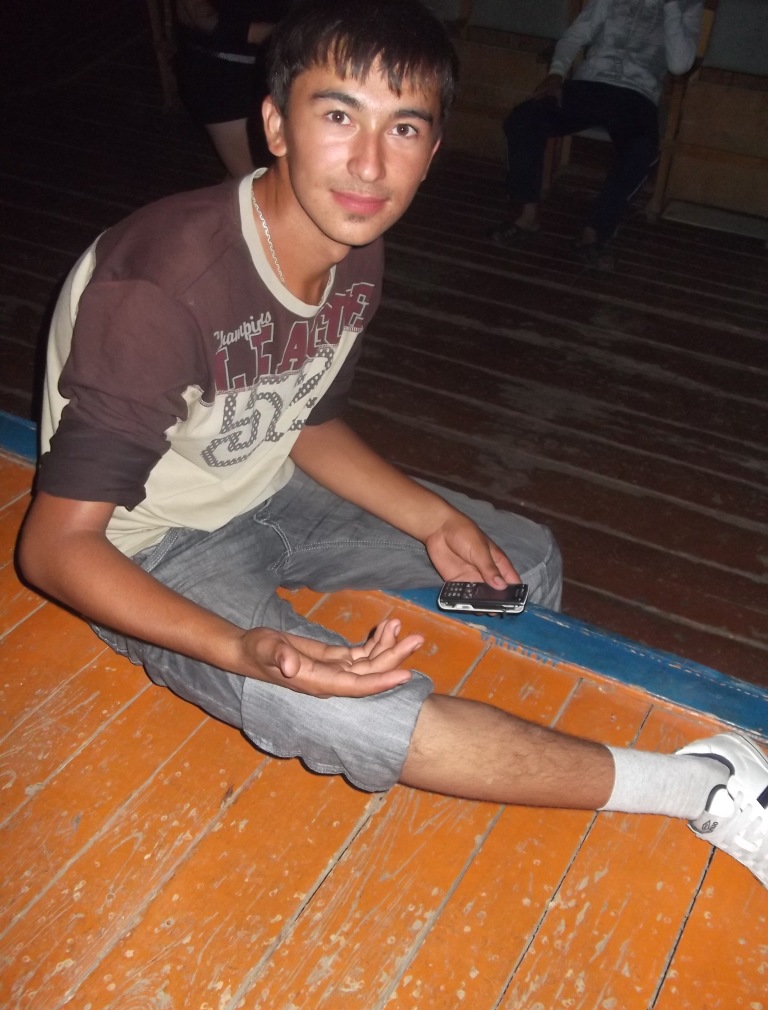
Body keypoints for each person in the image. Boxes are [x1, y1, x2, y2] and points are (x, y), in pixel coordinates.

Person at [18, 0, 766, 891]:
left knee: (519, 565)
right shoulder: (161, 288)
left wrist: (432, 517)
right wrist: (241, 648)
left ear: (432, 149)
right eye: (339, 115)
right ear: (275, 126)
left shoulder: (352, 241)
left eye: (402, 127)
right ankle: (708, 783)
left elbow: (305, 420)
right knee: (363, 719)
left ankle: (468, 734)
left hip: (266, 490)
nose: (370, 164)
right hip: (149, 549)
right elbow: (55, 548)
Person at [491, 0, 704, 265]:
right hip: (591, 83)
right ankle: (526, 215)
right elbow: (577, 33)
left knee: (642, 148)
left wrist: (670, 6)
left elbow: (679, 65)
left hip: (638, 94)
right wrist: (557, 72)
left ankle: (595, 233)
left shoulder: (688, 5)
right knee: (523, 119)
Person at [173, 0, 291, 175]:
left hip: (275, 66)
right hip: (219, 72)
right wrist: (280, 32)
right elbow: (198, 17)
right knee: (253, 176)